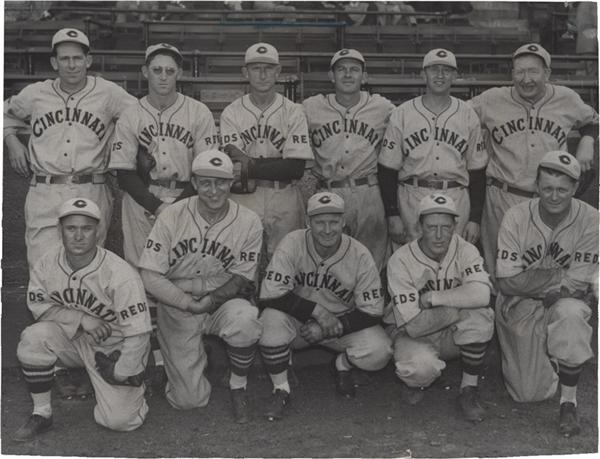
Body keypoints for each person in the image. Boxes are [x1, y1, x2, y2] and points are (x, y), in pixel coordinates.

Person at [109, 43, 219, 385]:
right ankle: (150, 350)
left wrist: (177, 206)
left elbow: (205, 168)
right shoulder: (132, 114)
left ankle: (188, 344)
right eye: (157, 69)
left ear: (179, 74)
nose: (163, 76)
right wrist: (156, 206)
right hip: (143, 201)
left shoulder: (197, 112)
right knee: (144, 274)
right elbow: (123, 172)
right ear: (145, 72)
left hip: (187, 198)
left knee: (182, 271)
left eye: (170, 70)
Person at [138, 150, 263, 424]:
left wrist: (210, 301)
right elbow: (149, 274)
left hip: (223, 298)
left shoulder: (249, 221)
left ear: (231, 183)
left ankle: (238, 385)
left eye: (220, 182)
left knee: (246, 321)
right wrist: (186, 303)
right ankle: (193, 357)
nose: (214, 190)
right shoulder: (172, 216)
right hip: (178, 300)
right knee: (188, 401)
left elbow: (243, 277)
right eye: (206, 182)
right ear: (194, 183)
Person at [14, 198, 152, 441]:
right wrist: (81, 318)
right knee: (33, 337)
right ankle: (42, 413)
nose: (78, 236)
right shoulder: (47, 263)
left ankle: (132, 389)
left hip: (114, 348)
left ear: (98, 232)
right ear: (60, 231)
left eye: (86, 228)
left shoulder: (120, 274)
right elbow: (38, 306)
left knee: (121, 421)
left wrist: (124, 371)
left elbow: (139, 332)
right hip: (73, 340)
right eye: (71, 228)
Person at [3, 28, 137, 270]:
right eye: (65, 59)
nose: (71, 65)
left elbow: (141, 118)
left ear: (89, 60)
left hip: (91, 187)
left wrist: (119, 144)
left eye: (77, 58)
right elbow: (5, 114)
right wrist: (11, 140)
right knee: (43, 269)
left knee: (87, 271)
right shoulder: (36, 93)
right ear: (54, 63)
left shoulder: (108, 92)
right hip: (45, 191)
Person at [469, 43, 598, 282]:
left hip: (549, 201)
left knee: (547, 270)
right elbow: (456, 116)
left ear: (547, 73)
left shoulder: (566, 98)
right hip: (502, 197)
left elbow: (592, 120)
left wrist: (587, 141)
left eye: (533, 71)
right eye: (519, 72)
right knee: (501, 273)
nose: (525, 79)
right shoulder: (491, 99)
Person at [258, 191, 392, 421]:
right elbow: (270, 294)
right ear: (308, 222)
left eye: (334, 222)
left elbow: (373, 311)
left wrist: (334, 324)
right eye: (320, 222)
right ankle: (281, 389)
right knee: (268, 324)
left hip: (339, 326)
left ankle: (342, 365)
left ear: (343, 222)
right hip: (298, 322)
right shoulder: (293, 242)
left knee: (380, 351)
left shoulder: (359, 254)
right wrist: (317, 312)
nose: (327, 229)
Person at [495, 151, 598, 437]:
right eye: (548, 188)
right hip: (521, 306)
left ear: (575, 188)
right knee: (528, 394)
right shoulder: (515, 216)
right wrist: (553, 281)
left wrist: (527, 287)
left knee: (572, 312)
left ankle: (568, 402)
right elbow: (505, 283)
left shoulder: (591, 219)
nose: (554, 196)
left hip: (559, 301)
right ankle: (555, 356)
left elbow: (578, 283)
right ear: (537, 186)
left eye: (563, 189)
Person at [383, 193, 493, 422]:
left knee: (481, 314)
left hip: (449, 334)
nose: (440, 235)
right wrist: (460, 305)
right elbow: (413, 326)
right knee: (419, 370)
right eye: (432, 227)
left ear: (455, 226)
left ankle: (468, 389)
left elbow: (482, 295)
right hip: (413, 334)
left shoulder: (466, 250)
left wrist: (435, 297)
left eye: (446, 227)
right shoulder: (401, 259)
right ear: (420, 226)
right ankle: (419, 382)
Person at [379, 48, 486, 247]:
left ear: (455, 75)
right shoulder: (402, 113)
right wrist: (392, 213)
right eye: (433, 69)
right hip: (412, 196)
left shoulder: (467, 114)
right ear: (423, 74)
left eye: (446, 70)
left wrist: (475, 218)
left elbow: (478, 170)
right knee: (410, 262)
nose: (440, 75)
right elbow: (387, 169)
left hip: (456, 197)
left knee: (455, 262)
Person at [303, 49, 395, 272]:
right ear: (331, 76)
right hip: (327, 191)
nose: (347, 75)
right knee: (329, 264)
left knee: (370, 263)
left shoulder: (383, 107)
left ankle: (368, 305)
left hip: (369, 193)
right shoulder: (310, 107)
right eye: (341, 69)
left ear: (364, 77)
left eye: (354, 70)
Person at [219, 42, 313, 259]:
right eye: (255, 68)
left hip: (284, 197)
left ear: (278, 72)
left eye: (268, 68)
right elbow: (235, 165)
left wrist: (249, 165)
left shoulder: (293, 112)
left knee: (286, 263)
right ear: (245, 72)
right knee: (239, 262)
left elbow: (296, 168)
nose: (262, 74)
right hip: (244, 197)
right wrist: (276, 164)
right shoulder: (232, 113)